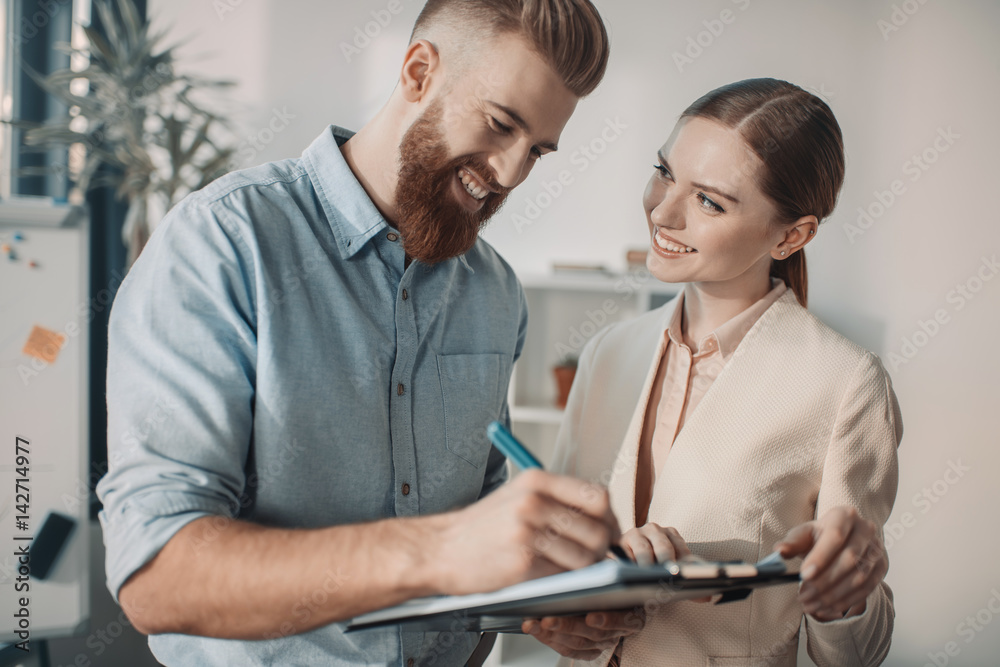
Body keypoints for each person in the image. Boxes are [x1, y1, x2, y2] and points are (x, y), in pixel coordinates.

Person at [95, 2, 643, 665]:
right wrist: (438, 549)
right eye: (501, 125)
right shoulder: (223, 245)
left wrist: (548, 597)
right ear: (418, 72)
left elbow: (483, 500)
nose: (509, 173)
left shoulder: (492, 289)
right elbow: (156, 574)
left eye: (537, 151)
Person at [525, 79, 903, 666]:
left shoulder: (845, 384)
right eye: (665, 172)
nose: (662, 210)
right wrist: (556, 613)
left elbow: (855, 656)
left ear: (792, 235)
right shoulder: (607, 352)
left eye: (709, 201)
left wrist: (844, 600)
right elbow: (553, 555)